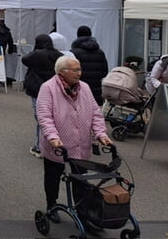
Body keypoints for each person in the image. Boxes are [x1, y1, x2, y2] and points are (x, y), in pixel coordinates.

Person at [36, 56, 111, 222]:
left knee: (80, 178)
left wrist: (101, 134)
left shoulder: (84, 87)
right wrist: (53, 137)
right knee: (53, 176)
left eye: (79, 69)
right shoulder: (48, 88)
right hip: (57, 145)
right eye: (75, 70)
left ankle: (81, 208)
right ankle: (51, 205)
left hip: (80, 143)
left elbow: (95, 113)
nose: (79, 73)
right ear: (62, 72)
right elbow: (44, 116)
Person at [22, 34, 62, 158]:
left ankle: (40, 146)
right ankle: (53, 141)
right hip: (54, 89)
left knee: (41, 117)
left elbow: (24, 59)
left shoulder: (37, 54)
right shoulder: (58, 55)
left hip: (37, 88)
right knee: (53, 116)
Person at [70, 25, 109, 106]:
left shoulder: (74, 52)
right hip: (96, 90)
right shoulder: (100, 52)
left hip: (79, 88)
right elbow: (104, 72)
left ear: (78, 36)